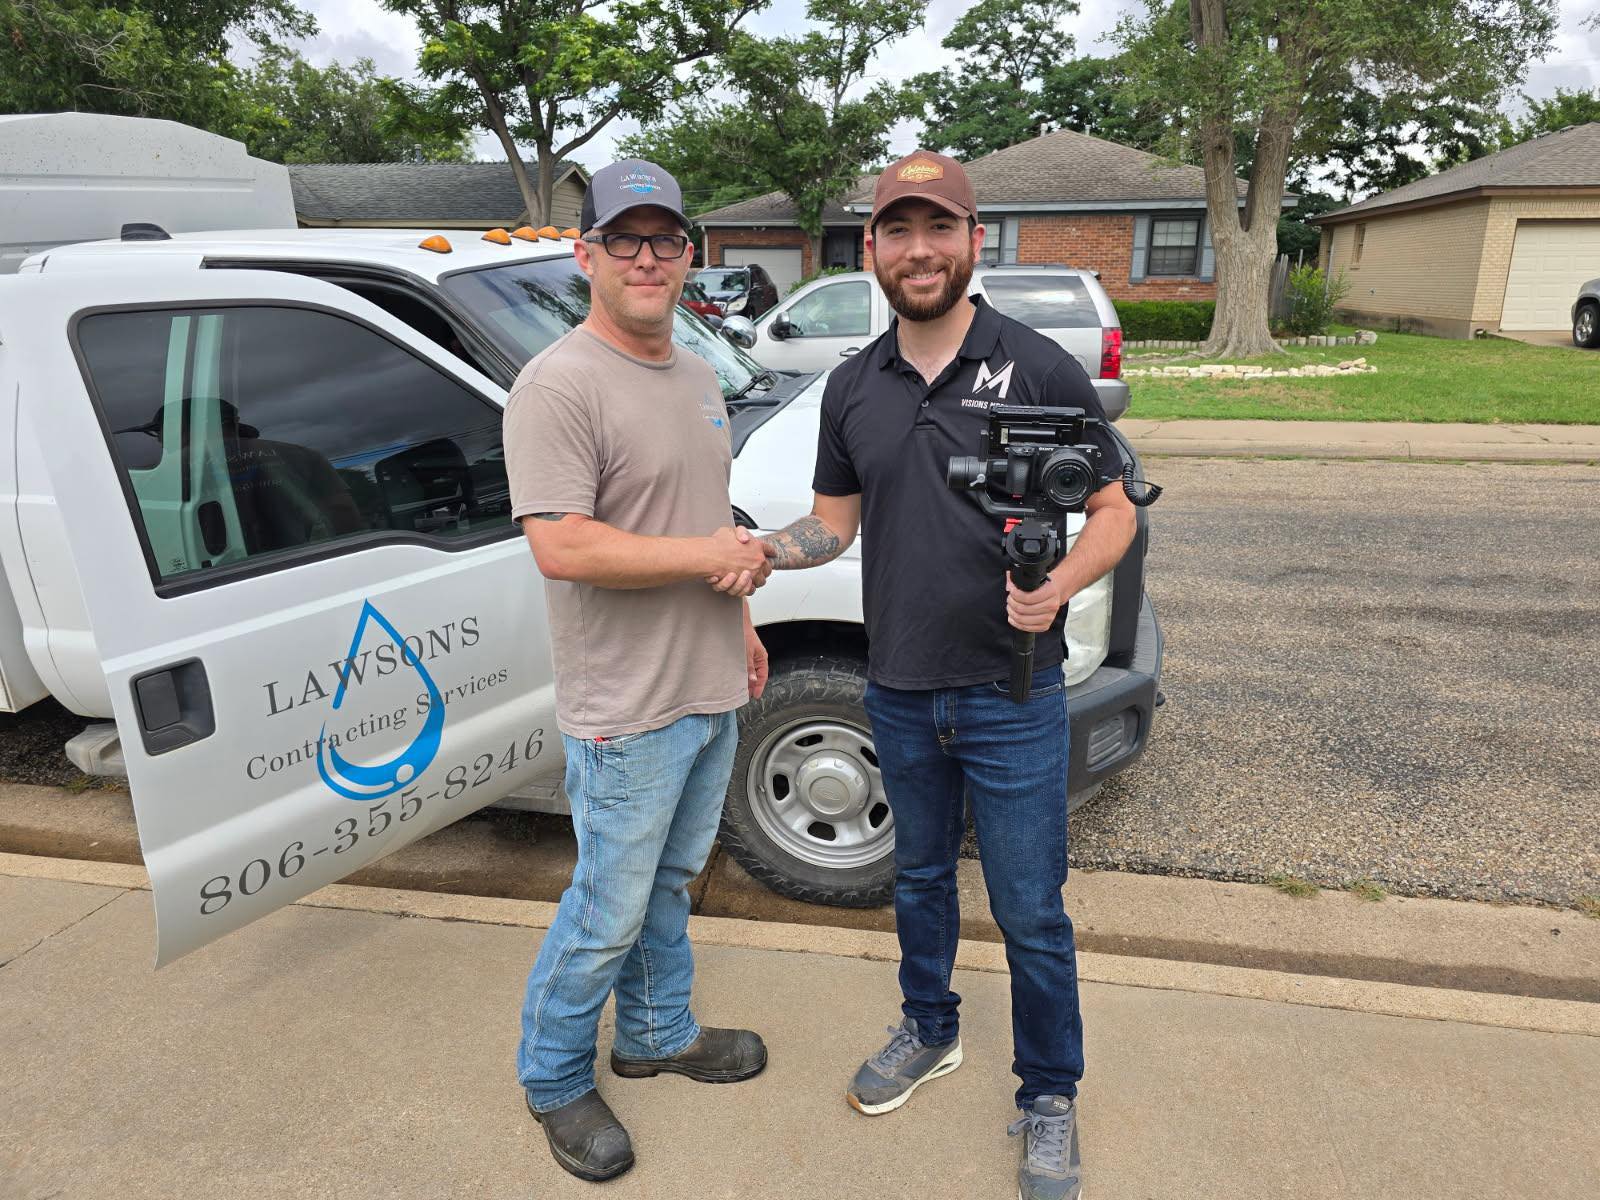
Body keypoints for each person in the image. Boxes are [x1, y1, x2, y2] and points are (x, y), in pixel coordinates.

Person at [758, 150, 1138, 1200]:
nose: (918, 250)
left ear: (974, 241)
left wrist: (1059, 586)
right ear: (872, 249)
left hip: (1012, 692)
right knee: (919, 879)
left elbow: (1112, 508)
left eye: (938, 229)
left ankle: (1048, 1093)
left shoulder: (1040, 367)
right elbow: (832, 526)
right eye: (898, 230)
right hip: (898, 685)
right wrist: (759, 552)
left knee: (1030, 911)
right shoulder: (852, 386)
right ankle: (929, 1028)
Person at [503, 160, 776, 1184]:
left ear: (688, 255)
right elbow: (562, 544)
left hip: (707, 681)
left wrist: (739, 619)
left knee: (668, 881)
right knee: (606, 908)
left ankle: (658, 1033)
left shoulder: (697, 375)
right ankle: (552, 1075)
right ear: (588, 257)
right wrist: (713, 558)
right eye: (625, 239)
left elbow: (704, 520)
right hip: (625, 705)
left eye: (666, 239)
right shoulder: (559, 386)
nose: (648, 258)